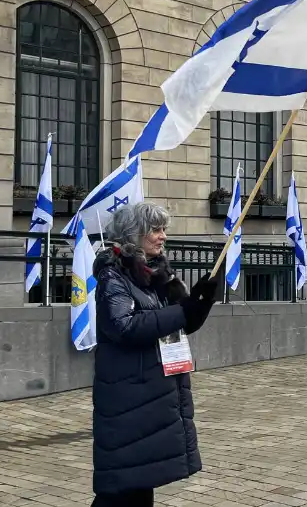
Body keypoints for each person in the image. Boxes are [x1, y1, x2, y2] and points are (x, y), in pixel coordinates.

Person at [92, 202, 220, 507]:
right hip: (129, 394)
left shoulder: (159, 275)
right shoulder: (114, 275)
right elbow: (123, 326)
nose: (162, 236)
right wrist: (181, 311)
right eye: (155, 230)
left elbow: (183, 322)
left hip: (152, 393)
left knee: (138, 483)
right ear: (134, 233)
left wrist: (201, 301)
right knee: (120, 489)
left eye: (164, 229)